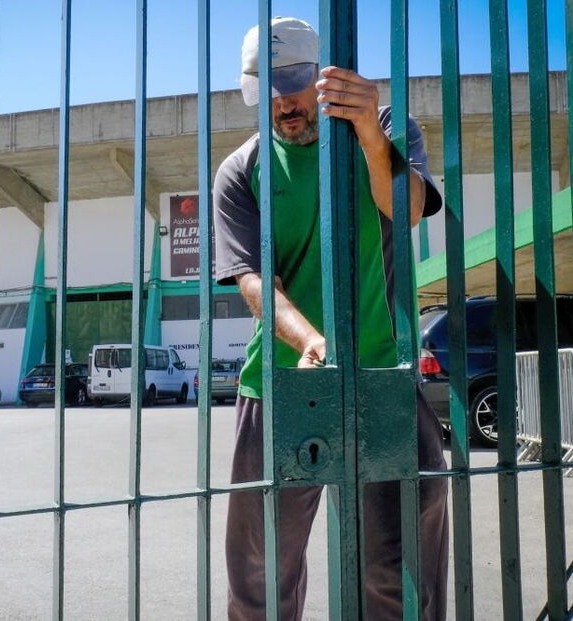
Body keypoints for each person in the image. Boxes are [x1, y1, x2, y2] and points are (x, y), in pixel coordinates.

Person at [213, 17, 449, 620]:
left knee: (397, 571)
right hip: (281, 383)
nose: (281, 102)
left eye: (292, 84)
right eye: (264, 89)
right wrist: (312, 340)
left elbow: (411, 208)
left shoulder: (389, 128)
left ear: (322, 78)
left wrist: (369, 131)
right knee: (261, 574)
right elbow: (254, 280)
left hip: (384, 376)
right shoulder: (241, 170)